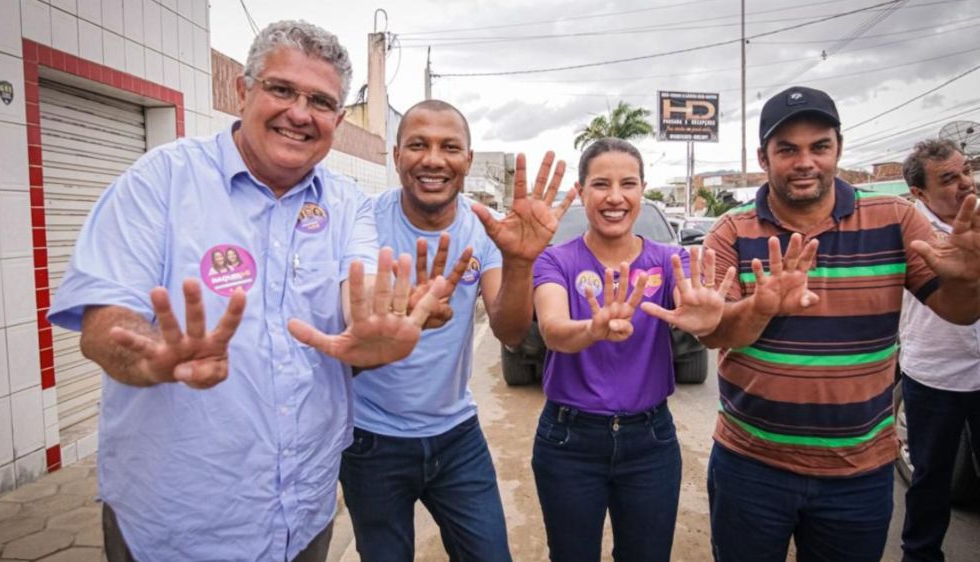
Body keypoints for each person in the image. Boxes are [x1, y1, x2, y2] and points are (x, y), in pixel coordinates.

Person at [47, 20, 444, 562]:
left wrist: (382, 324)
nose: (300, 113)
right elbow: (101, 328)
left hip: (302, 515)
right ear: (243, 91)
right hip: (176, 522)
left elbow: (362, 286)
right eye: (281, 89)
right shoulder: (158, 183)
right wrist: (154, 358)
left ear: (339, 119)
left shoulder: (348, 204)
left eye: (320, 101)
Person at [699, 86, 980, 562]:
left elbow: (958, 311)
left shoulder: (896, 218)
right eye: (787, 149)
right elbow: (716, 332)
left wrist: (971, 279)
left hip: (858, 475)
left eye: (819, 147)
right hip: (750, 466)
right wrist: (763, 306)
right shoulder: (731, 230)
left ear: (838, 150)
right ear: (763, 159)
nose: (805, 161)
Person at [338, 99, 575, 562]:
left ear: (467, 160)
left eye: (449, 147)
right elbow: (353, 317)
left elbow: (509, 330)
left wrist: (519, 261)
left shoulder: (483, 226)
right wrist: (399, 314)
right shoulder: (365, 220)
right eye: (417, 145)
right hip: (371, 440)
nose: (433, 159)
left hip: (456, 435)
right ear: (396, 155)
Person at [531, 138, 733, 562]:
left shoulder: (671, 259)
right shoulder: (555, 261)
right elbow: (553, 331)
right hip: (569, 440)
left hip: (651, 441)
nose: (615, 197)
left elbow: (702, 317)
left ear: (643, 190)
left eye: (629, 183)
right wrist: (594, 328)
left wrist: (710, 322)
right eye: (601, 184)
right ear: (583, 191)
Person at [898, 139, 980, 562]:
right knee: (931, 478)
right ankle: (920, 555)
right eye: (948, 178)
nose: (964, 183)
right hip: (933, 376)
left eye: (965, 171)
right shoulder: (910, 231)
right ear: (919, 193)